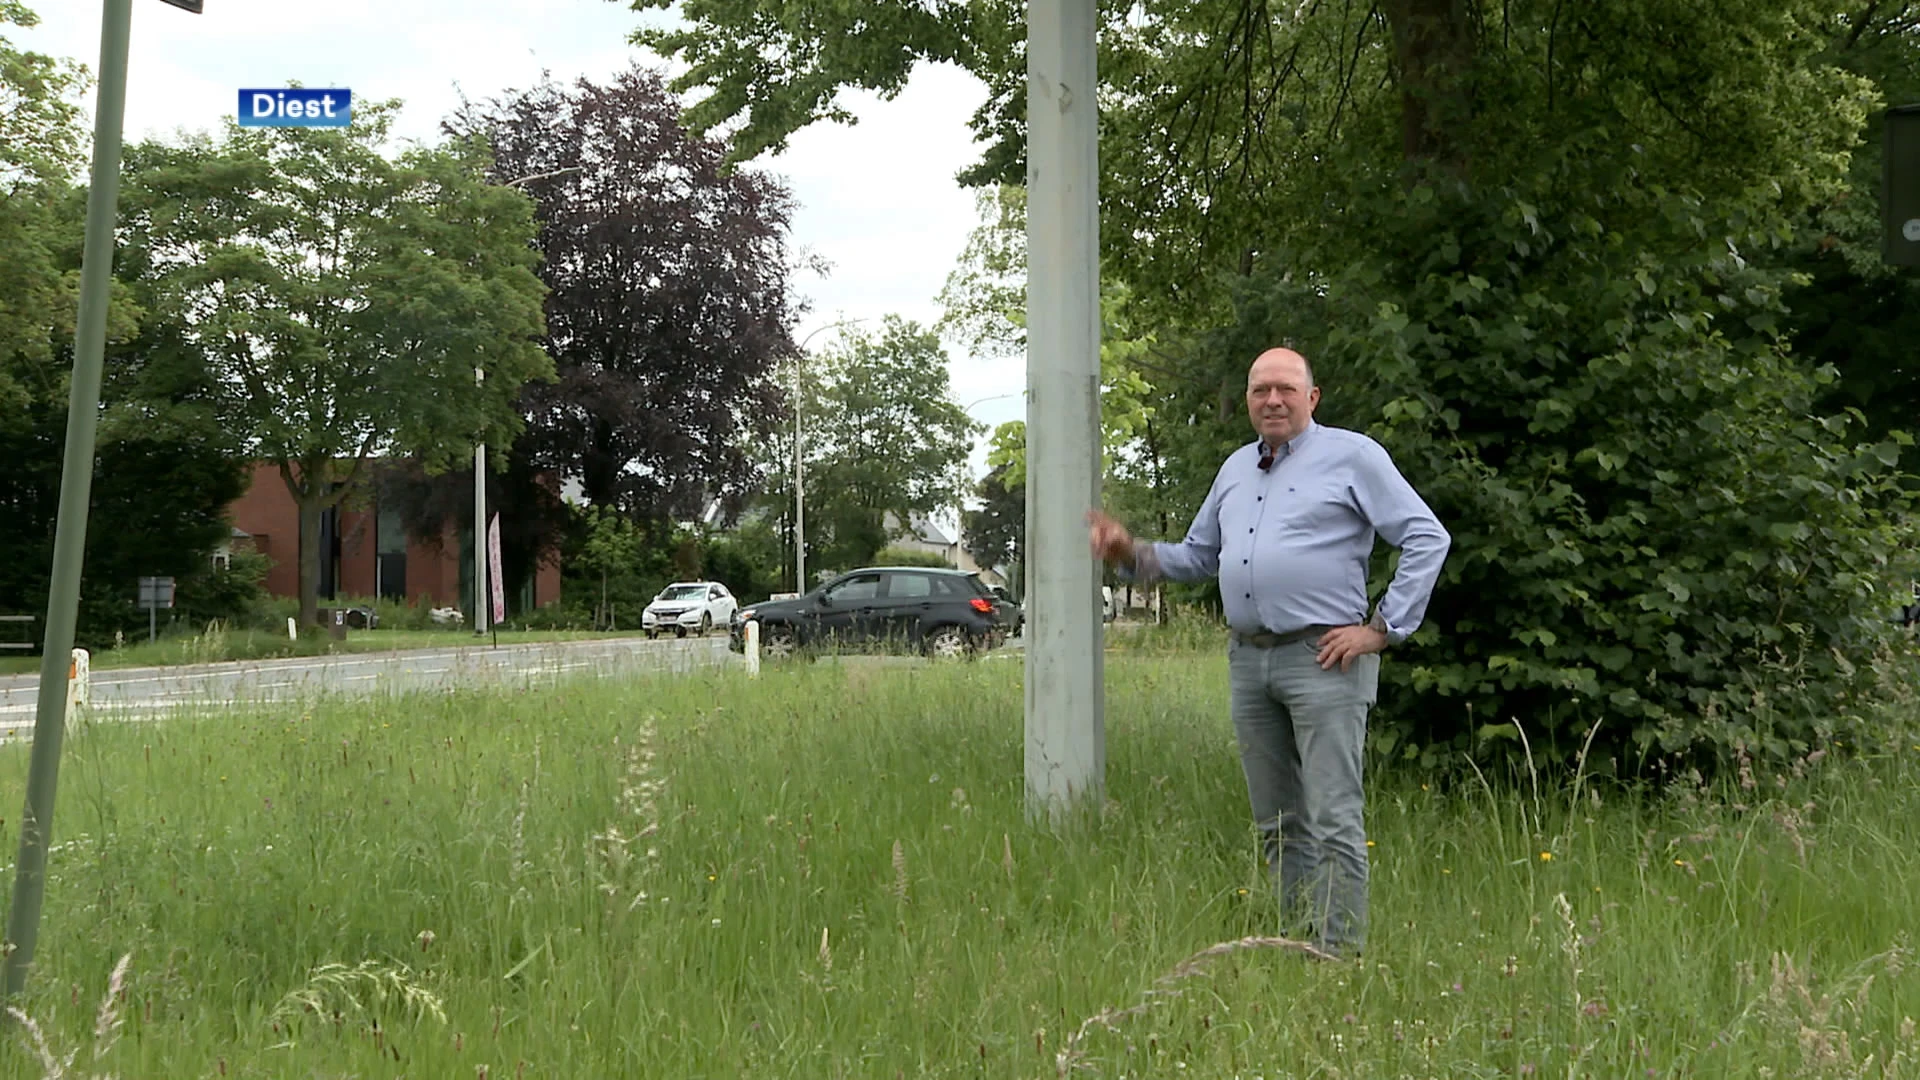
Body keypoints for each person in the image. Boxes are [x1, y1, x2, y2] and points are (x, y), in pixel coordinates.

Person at [1087, 347, 1450, 958]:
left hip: (1325, 660)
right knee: (1278, 822)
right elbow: (1202, 555)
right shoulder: (1235, 469)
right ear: (1250, 401)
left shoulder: (1353, 457)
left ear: (1312, 397)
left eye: (1285, 388)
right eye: (1260, 390)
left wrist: (1384, 629)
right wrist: (1131, 551)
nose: (1272, 400)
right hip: (1249, 661)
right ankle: (1296, 943)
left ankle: (1339, 957)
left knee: (1333, 817)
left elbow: (1425, 535)